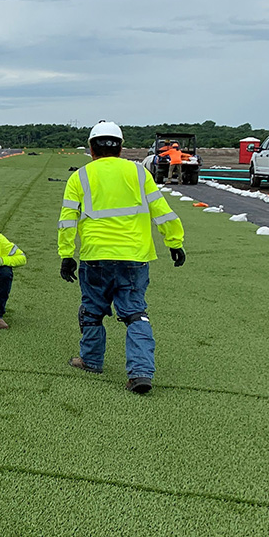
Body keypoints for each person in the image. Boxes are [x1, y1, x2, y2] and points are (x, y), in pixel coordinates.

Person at [58, 121, 186, 394]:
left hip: (96, 257)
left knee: (92, 312)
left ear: (91, 148)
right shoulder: (139, 173)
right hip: (134, 258)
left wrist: (67, 255)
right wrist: (174, 243)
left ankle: (91, 360)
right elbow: (161, 210)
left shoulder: (79, 177)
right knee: (135, 314)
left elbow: (68, 220)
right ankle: (140, 372)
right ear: (120, 147)